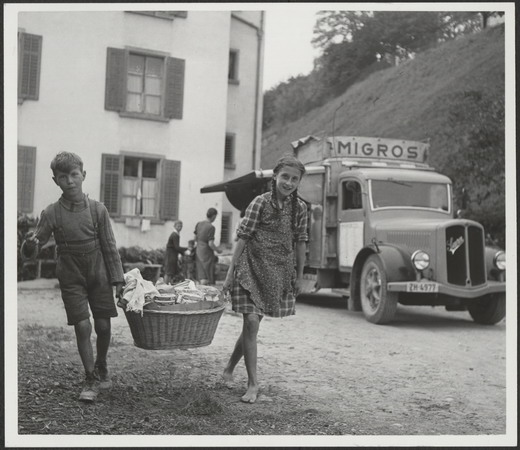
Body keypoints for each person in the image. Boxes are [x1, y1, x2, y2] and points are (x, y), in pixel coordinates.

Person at [22, 152, 124, 403]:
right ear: (55, 180)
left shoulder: (98, 210)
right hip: (70, 273)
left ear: (83, 176)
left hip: (98, 271)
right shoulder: (52, 213)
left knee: (102, 326)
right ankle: (89, 377)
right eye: (63, 176)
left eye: (74, 175)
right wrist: (29, 244)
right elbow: (32, 252)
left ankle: (101, 364)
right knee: (82, 325)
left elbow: (110, 247)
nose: (69, 180)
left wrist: (118, 281)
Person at [222, 154, 308, 403]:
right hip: (249, 266)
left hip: (276, 272)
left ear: (299, 182)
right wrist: (229, 274)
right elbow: (243, 238)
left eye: (294, 179)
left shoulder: (299, 209)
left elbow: (301, 241)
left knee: (252, 324)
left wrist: (300, 276)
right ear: (275, 176)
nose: (289, 183)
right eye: (285, 177)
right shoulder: (259, 203)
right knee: (251, 322)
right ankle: (253, 384)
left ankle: (229, 368)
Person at [194, 208, 222, 285]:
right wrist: (218, 250)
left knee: (201, 272)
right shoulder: (211, 227)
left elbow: (195, 238)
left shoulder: (199, 224)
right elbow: (211, 243)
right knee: (208, 272)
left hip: (199, 249)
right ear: (213, 216)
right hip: (206, 252)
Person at [164, 220, 187, 284]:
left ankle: (168, 284)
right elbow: (177, 247)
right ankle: (165, 285)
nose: (180, 228)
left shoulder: (176, 234)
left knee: (171, 271)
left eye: (181, 226)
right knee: (168, 271)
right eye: (178, 226)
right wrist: (186, 249)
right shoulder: (175, 235)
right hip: (171, 254)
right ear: (174, 226)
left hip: (173, 254)